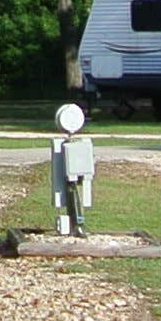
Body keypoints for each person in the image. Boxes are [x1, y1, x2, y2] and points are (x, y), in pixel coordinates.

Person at [49, 100, 97, 238]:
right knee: (72, 186)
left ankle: (78, 224)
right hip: (71, 175)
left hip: (79, 174)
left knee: (78, 188)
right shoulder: (61, 147)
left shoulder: (83, 145)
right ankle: (75, 225)